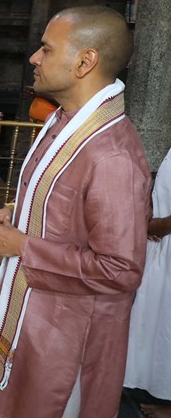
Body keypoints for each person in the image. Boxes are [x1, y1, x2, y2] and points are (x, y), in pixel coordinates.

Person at [0, 6, 151, 418]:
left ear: (85, 62)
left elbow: (121, 269)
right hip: (29, 314)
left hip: (65, 334)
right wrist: (14, 214)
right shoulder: (66, 121)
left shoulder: (112, 155)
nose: (34, 57)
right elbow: (62, 202)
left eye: (46, 49)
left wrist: (21, 245)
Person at [124, 146, 171, 418]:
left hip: (163, 234)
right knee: (160, 319)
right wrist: (150, 204)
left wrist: (155, 226)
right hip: (162, 244)